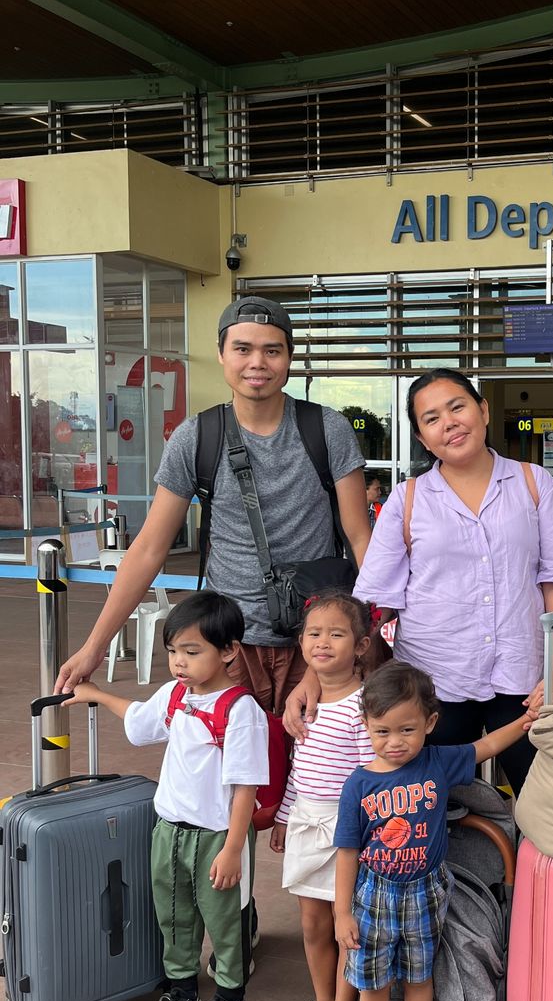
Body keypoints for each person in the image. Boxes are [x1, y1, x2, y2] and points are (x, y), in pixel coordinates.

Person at [55, 296, 372, 716]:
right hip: (227, 644)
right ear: (222, 355)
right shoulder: (197, 437)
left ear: (289, 358)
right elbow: (150, 547)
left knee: (317, 774)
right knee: (229, 774)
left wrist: (365, 632)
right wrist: (94, 647)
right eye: (242, 349)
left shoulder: (327, 428)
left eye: (272, 350)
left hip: (316, 643)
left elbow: (360, 536)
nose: (257, 362)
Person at [290, 368, 553, 792]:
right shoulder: (407, 500)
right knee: (429, 803)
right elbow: (370, 607)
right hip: (431, 683)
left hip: (522, 677)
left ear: (482, 411)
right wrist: (314, 674)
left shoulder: (534, 484)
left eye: (457, 406)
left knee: (539, 800)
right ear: (423, 438)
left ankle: (523, 861)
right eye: (431, 418)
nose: (449, 423)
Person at [65, 592, 268, 1001]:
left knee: (224, 920)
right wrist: (95, 692)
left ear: (229, 650)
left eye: (192, 652)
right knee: (173, 916)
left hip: (218, 836)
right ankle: (181, 994)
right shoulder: (176, 695)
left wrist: (234, 848)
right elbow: (139, 721)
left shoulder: (240, 711)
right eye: (173, 651)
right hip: (169, 831)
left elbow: (247, 787)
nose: (179, 662)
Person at [331, 661, 530, 1001]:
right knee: (373, 981)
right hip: (374, 894)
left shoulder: (438, 761)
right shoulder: (358, 785)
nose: (395, 742)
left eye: (407, 730)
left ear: (430, 724)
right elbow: (346, 853)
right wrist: (342, 911)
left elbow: (488, 744)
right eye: (382, 731)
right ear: (365, 725)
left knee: (421, 974)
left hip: (427, 890)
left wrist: (526, 719)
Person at [270, 592, 383, 1001]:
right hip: (306, 823)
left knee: (345, 929)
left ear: (360, 646)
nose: (323, 643)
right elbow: (301, 768)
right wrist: (283, 814)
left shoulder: (364, 706)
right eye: (314, 634)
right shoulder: (304, 703)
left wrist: (366, 834)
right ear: (301, 643)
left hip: (347, 834)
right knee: (313, 925)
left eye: (336, 634)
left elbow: (369, 775)